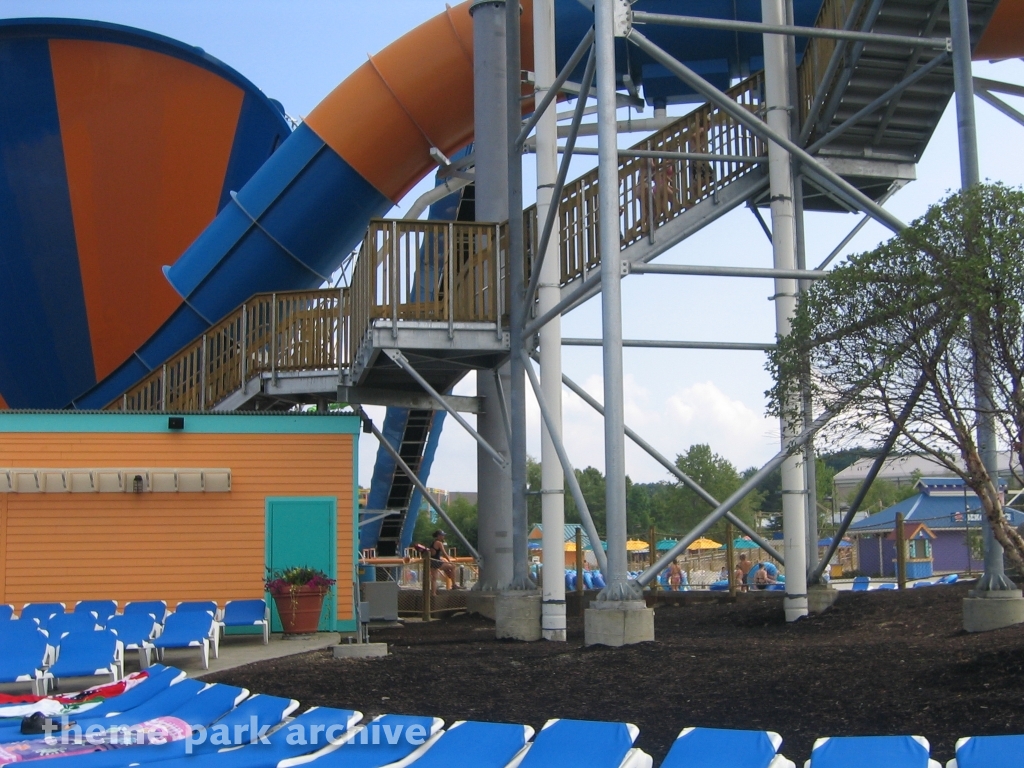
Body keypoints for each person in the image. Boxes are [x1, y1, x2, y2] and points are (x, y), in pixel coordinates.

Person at [430, 530, 459, 595]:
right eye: (442, 535)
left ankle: (433, 593)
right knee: (453, 566)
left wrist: (441, 559)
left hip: (432, 562)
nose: (443, 536)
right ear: (439, 536)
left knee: (434, 578)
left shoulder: (433, 542)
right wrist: (449, 560)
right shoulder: (439, 543)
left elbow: (434, 554)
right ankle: (454, 585)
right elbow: (444, 553)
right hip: (437, 562)